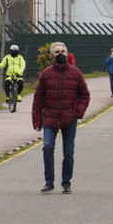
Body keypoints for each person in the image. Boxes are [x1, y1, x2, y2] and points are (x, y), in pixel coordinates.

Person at [32, 42, 90, 194]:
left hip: (69, 118)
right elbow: (37, 99)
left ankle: (66, 182)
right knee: (47, 147)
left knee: (68, 152)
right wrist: (37, 120)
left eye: (62, 51)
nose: (60, 54)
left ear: (67, 54)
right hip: (50, 118)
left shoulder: (75, 73)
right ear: (52, 55)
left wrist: (77, 113)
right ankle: (49, 181)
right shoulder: (46, 74)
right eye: (57, 51)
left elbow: (85, 95)